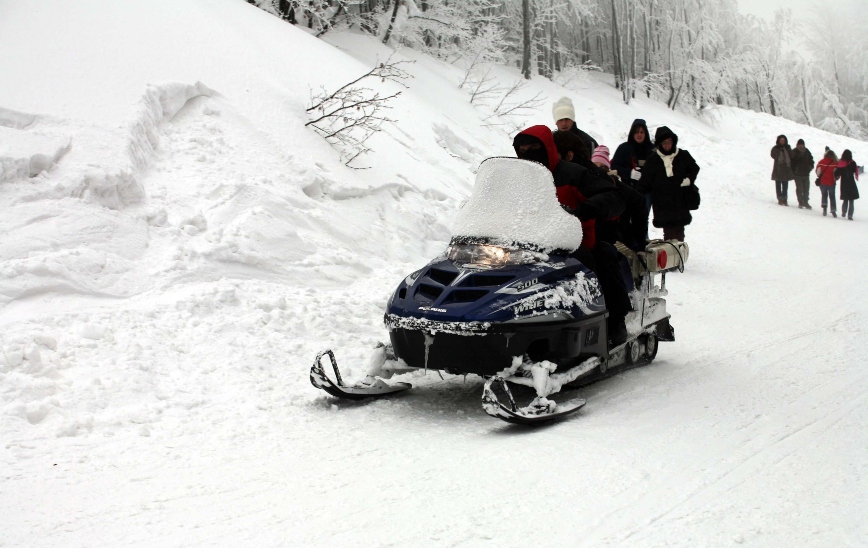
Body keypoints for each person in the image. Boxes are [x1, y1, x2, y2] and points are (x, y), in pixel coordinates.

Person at [514, 126, 630, 345]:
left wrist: (588, 207)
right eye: (523, 149)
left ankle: (614, 320)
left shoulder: (573, 174)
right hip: (525, 242)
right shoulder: (516, 179)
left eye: (534, 148)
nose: (528, 153)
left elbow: (613, 195)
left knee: (601, 255)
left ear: (546, 148)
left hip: (573, 241)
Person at [636, 126, 700, 242]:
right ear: (659, 144)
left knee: (680, 232)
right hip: (663, 204)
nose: (667, 146)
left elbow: (694, 168)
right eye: (664, 143)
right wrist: (635, 195)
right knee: (669, 234)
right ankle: (672, 257)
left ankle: (678, 256)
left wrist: (690, 179)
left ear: (673, 141)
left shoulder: (682, 155)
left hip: (680, 202)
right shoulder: (653, 159)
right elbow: (645, 181)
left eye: (669, 142)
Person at [611, 119, 655, 188]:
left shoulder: (653, 149)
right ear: (632, 133)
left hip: (648, 189)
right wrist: (629, 173)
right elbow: (614, 166)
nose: (639, 135)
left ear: (646, 133)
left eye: (642, 132)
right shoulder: (623, 148)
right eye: (636, 132)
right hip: (628, 189)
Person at [835, 149, 859, 221]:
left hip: (844, 182)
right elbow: (856, 170)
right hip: (851, 182)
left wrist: (836, 176)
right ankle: (850, 215)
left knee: (845, 198)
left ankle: (844, 211)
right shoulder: (853, 163)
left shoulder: (841, 163)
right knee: (851, 200)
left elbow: (837, 173)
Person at [770, 135, 794, 206]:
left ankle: (785, 198)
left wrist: (788, 150)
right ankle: (780, 198)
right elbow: (773, 155)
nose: (782, 142)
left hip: (786, 169)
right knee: (778, 185)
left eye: (784, 141)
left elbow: (792, 155)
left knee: (785, 185)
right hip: (778, 169)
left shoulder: (788, 148)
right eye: (781, 141)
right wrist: (779, 151)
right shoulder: (776, 148)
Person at [791, 139, 815, 209]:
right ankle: (801, 202)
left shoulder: (807, 151)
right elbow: (792, 162)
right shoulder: (794, 151)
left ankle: (806, 202)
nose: (801, 146)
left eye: (802, 144)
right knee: (799, 189)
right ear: (797, 145)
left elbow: (811, 160)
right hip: (797, 174)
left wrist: (810, 167)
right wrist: (794, 170)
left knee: (806, 189)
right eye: (800, 144)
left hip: (806, 174)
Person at [816, 149, 839, 217]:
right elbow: (836, 174)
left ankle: (824, 208)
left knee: (824, 195)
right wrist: (836, 179)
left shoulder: (821, 162)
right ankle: (833, 210)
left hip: (822, 182)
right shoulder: (835, 163)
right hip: (831, 182)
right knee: (832, 196)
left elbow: (818, 172)